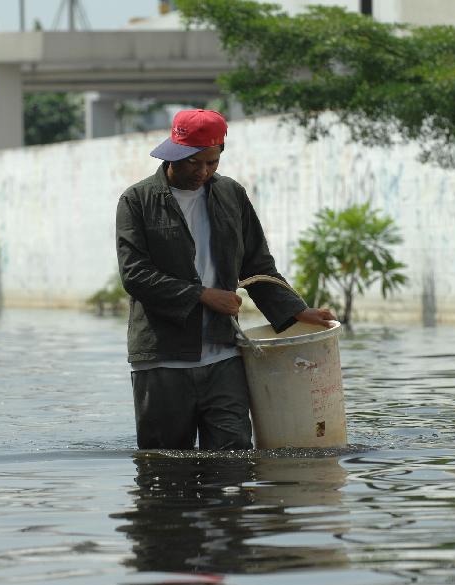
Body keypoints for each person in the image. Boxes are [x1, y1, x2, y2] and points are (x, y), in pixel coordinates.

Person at [115, 109, 335, 450]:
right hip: (162, 358)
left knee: (233, 460)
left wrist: (297, 313)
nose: (203, 172)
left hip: (224, 354)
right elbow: (135, 275)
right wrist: (202, 295)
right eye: (193, 162)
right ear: (175, 153)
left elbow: (257, 264)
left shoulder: (231, 194)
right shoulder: (137, 200)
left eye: (212, 163)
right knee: (166, 470)